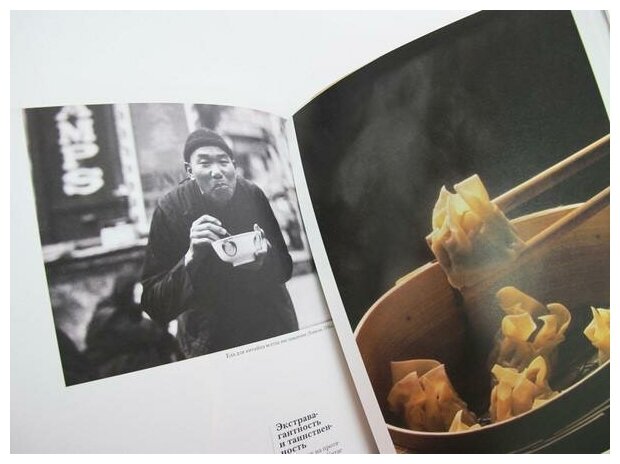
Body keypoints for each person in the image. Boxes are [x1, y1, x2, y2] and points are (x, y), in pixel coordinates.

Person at [141, 128, 298, 357]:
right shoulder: (171, 209)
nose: (217, 172)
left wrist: (265, 259)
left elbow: (285, 267)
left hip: (271, 327)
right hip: (210, 343)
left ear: (234, 165)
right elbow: (154, 305)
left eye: (224, 162)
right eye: (205, 163)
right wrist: (190, 258)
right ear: (190, 171)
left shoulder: (252, 195)